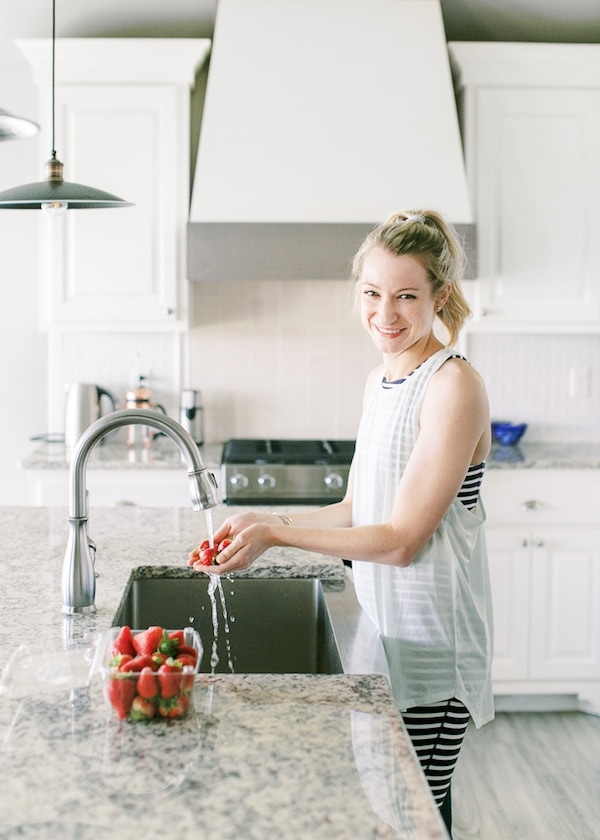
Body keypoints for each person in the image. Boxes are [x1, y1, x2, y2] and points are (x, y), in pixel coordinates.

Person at [188, 210, 494, 836]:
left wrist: (276, 535)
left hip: (436, 653)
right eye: (373, 293)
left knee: (417, 817)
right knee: (394, 811)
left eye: (407, 295)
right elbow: (360, 510)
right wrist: (263, 521)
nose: (387, 313)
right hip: (389, 640)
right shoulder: (382, 380)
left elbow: (403, 541)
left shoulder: (452, 385)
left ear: (440, 295)